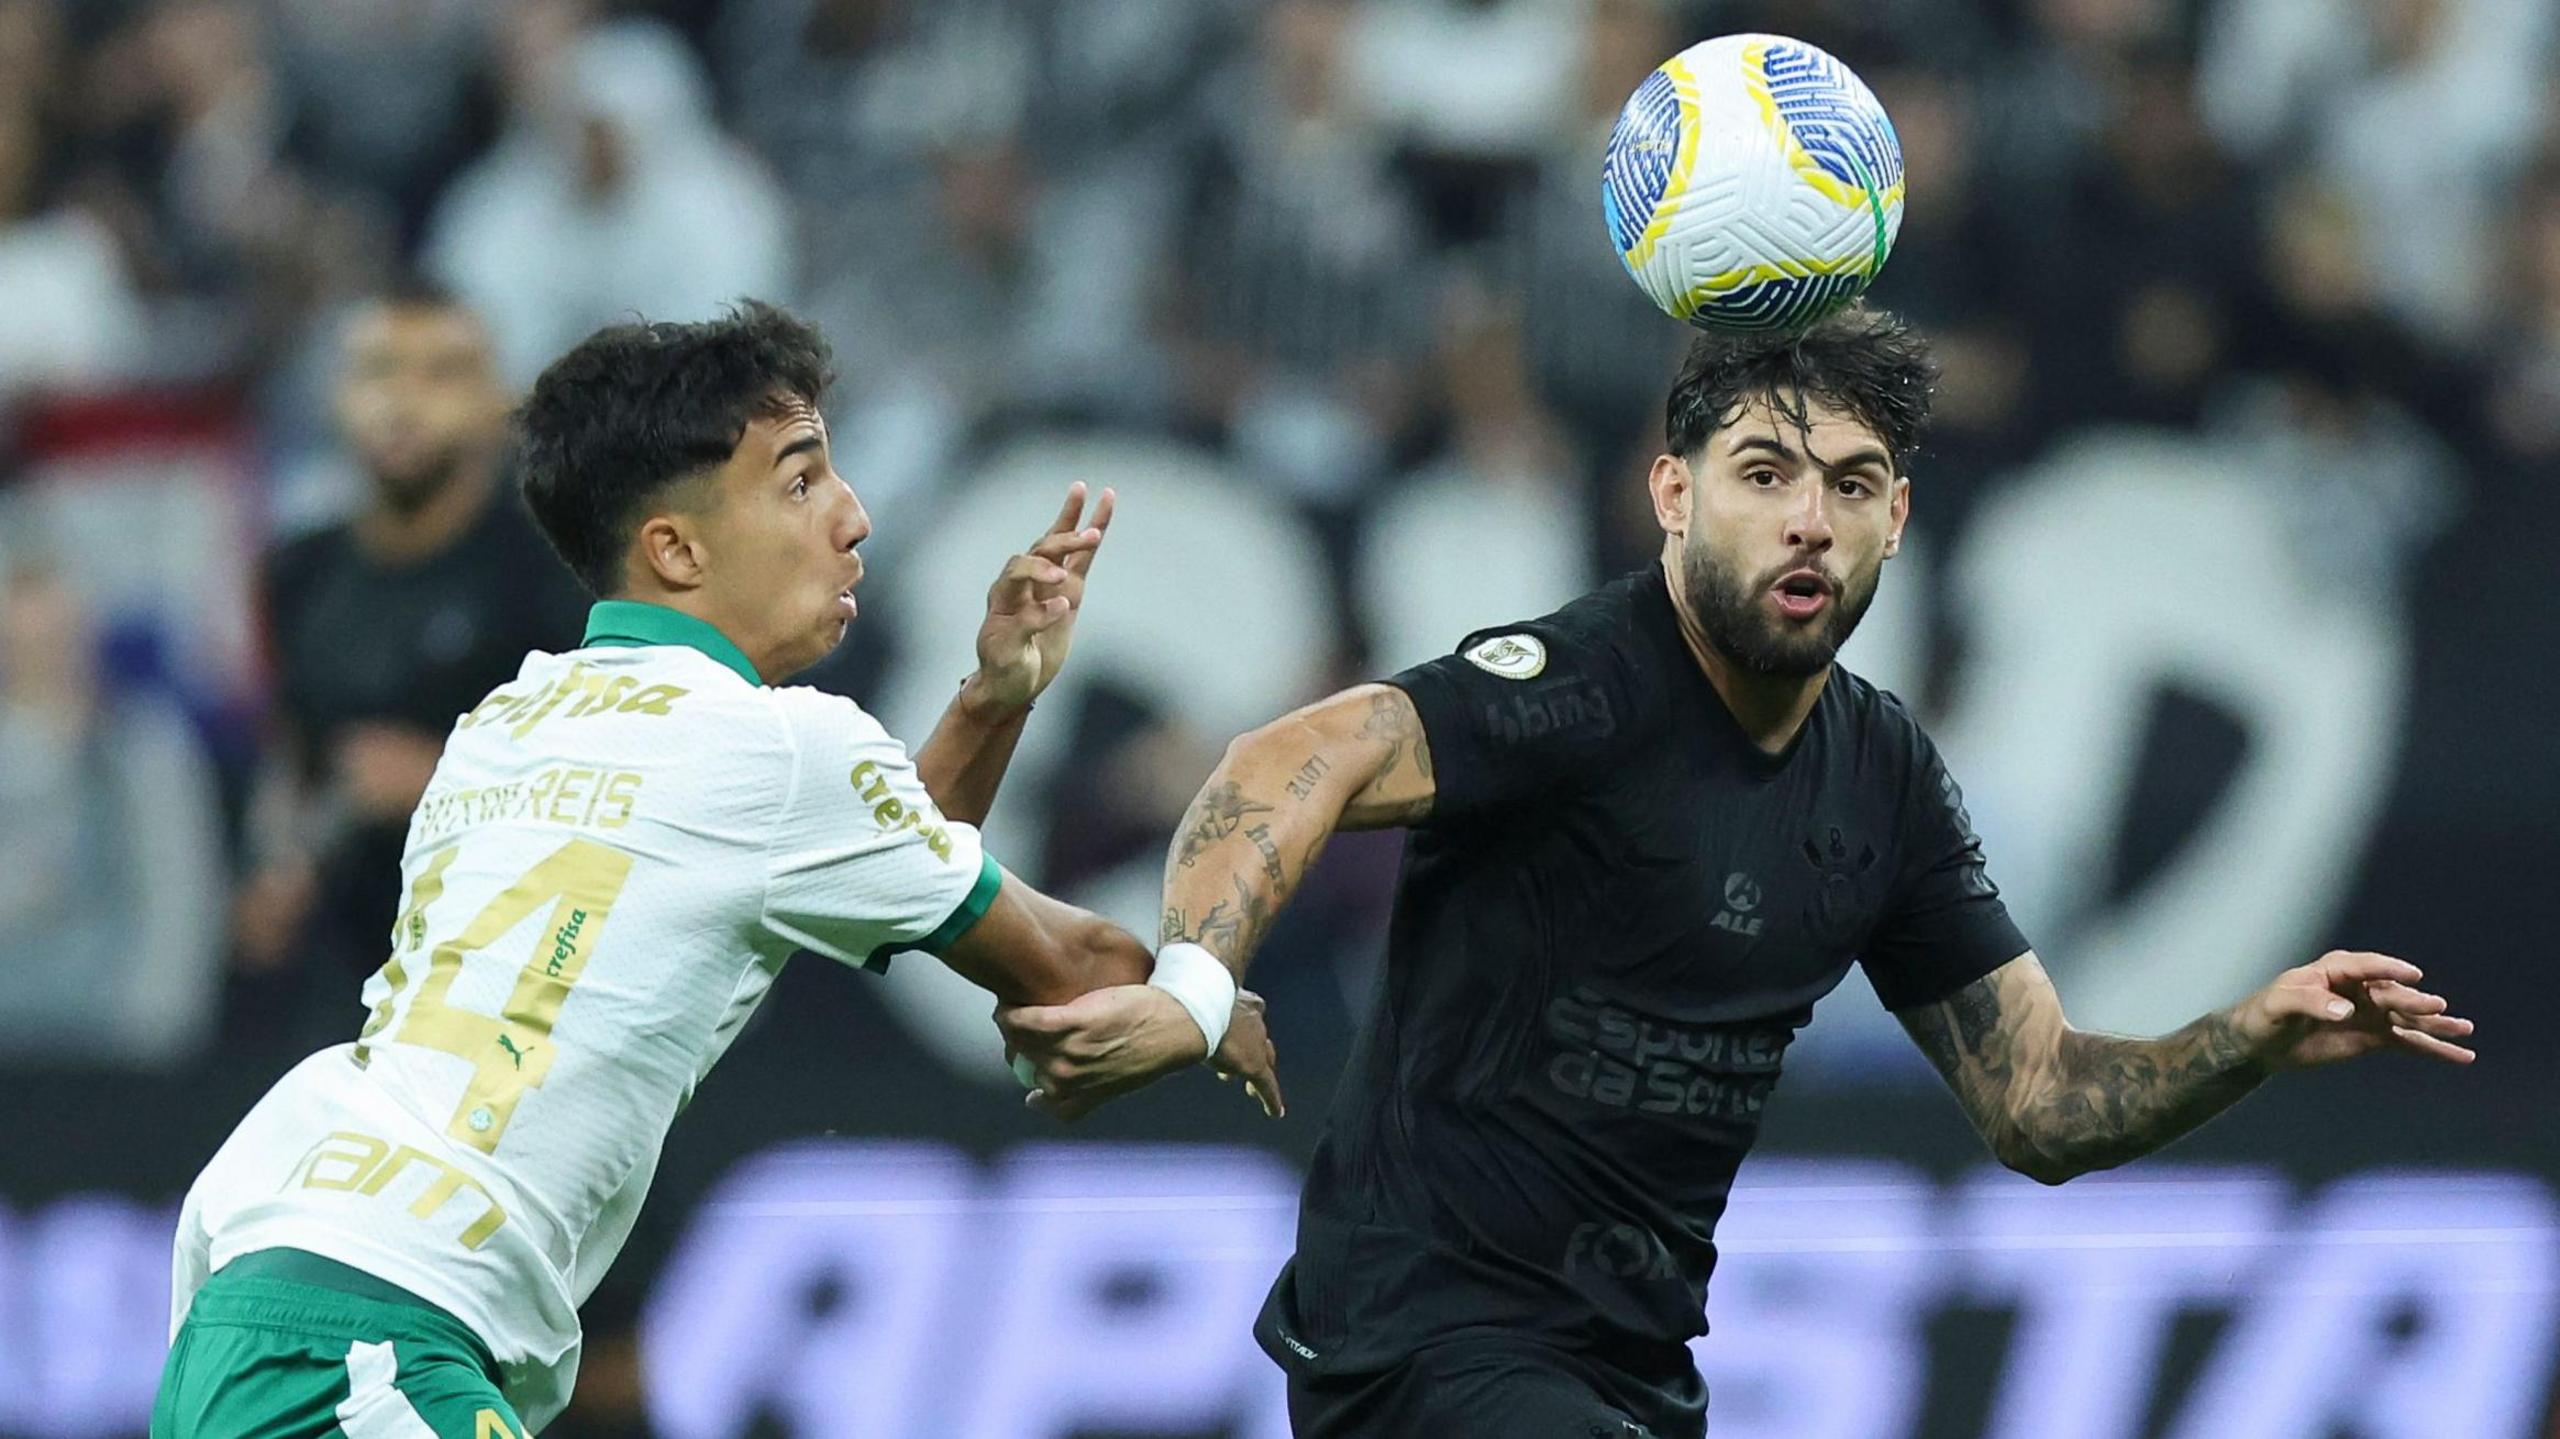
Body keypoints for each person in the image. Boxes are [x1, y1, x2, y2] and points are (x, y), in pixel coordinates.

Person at [1002, 305, 2475, 1438]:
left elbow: (2038, 1101)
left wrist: (2253, 1034)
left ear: (1898, 517)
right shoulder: (1577, 684)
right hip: (1427, 1349)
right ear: (1672, 493)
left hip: (1628, 1372)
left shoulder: (1882, 775)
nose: (1807, 520)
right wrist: (1195, 983)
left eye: (1851, 483)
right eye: (1765, 473)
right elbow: (1288, 759)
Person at [158, 303, 1279, 1436]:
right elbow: (1070, 963)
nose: (853, 517)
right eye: (799, 481)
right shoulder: (779, 745)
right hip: (373, 1332)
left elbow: (861, 861)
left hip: (269, 1268)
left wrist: (992, 697)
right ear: (678, 548)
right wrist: (1201, 993)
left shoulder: (504, 720)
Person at [235, 281, 589, 1011]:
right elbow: (292, 754)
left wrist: (441, 779)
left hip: (515, 967)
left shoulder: (556, 573)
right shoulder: (300, 570)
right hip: (344, 967)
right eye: (378, 372)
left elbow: (619, 786)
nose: (404, 402)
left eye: (440, 374)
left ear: (496, 401)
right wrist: (276, 866)